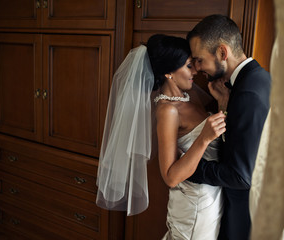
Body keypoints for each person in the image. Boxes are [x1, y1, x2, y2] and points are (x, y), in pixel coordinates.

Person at [96, 34, 228, 239]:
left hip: (211, 195)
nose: (195, 70)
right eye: (187, 66)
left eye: (193, 63)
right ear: (168, 73)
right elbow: (170, 177)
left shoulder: (189, 95)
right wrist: (203, 139)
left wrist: (222, 102)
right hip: (195, 205)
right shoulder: (167, 111)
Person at [186, 14, 272, 240]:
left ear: (222, 52)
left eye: (199, 59)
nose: (196, 68)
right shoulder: (258, 78)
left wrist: (189, 168)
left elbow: (241, 176)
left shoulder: (248, 93)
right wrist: (224, 104)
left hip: (244, 216)